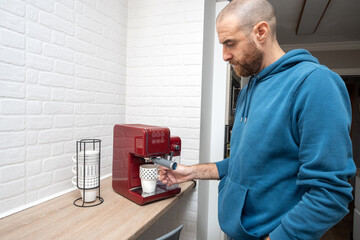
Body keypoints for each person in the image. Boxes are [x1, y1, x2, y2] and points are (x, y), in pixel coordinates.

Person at [159, 0, 356, 239]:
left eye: (230, 43)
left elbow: (330, 192)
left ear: (261, 32)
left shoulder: (315, 84)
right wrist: (191, 172)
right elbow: (246, 161)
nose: (224, 55)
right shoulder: (251, 86)